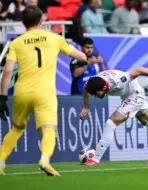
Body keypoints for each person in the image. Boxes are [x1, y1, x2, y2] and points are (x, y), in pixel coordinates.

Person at [0, 6, 88, 176]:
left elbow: (8, 71)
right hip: (45, 93)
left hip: (22, 92)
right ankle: (45, 160)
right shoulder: (54, 38)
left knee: (17, 129)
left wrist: (2, 97)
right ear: (41, 20)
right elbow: (80, 56)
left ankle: (1, 162)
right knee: (49, 128)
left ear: (23, 22)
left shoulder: (17, 42)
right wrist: (84, 60)